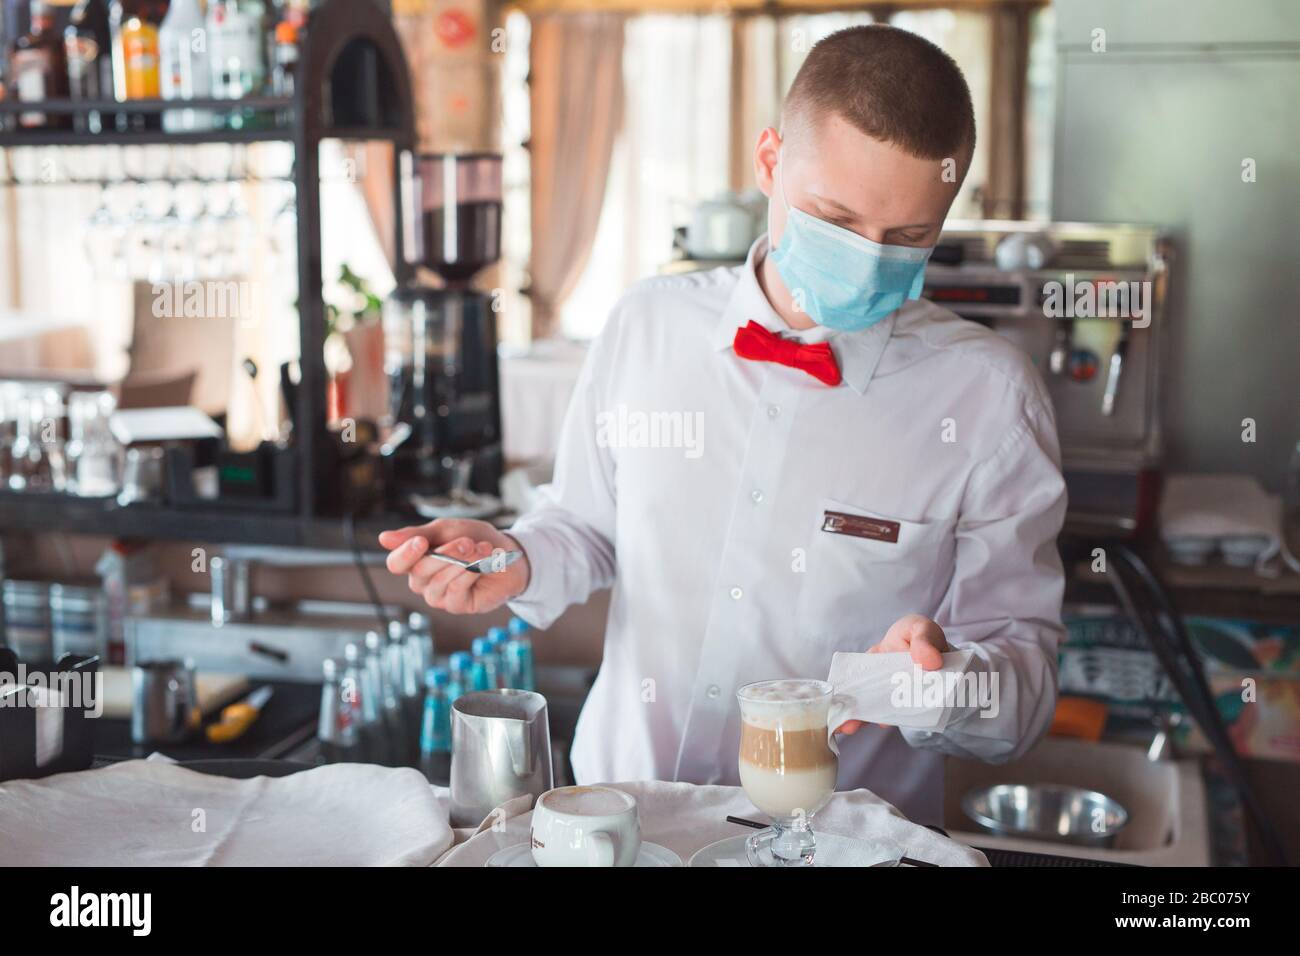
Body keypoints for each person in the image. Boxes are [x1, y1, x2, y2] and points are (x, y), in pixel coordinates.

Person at [380, 24, 1066, 823]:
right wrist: (515, 557)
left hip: (833, 848)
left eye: (907, 238)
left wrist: (941, 680)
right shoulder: (646, 325)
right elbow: (587, 527)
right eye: (837, 220)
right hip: (618, 822)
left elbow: (1023, 691)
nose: (870, 257)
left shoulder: (988, 400)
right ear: (770, 160)